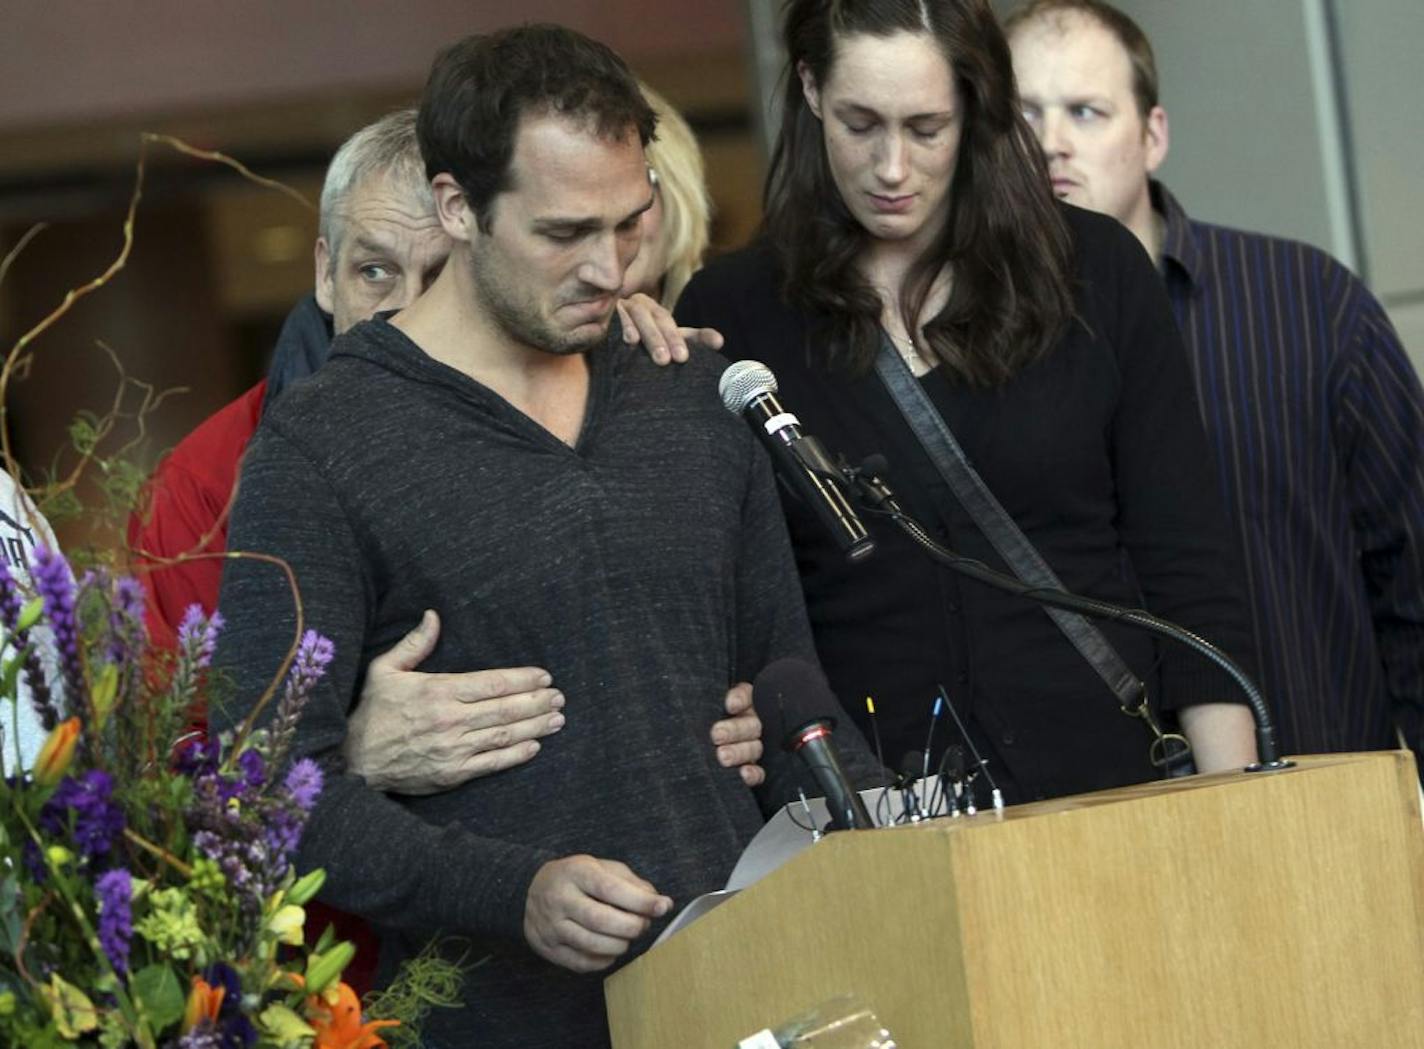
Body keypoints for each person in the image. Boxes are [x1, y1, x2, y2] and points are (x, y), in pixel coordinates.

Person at [211, 24, 878, 1049]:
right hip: (487, 1017)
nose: (607, 269)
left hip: (751, 994)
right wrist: (507, 889)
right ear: (454, 208)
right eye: (563, 234)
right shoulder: (320, 445)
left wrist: (809, 760)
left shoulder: (690, 393)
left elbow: (782, 664)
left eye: (630, 223)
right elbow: (262, 789)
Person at [677, 0, 1260, 805]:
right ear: (810, 89)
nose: (891, 168)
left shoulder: (1094, 271)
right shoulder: (734, 310)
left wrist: (1232, 802)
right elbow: (727, 602)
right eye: (860, 124)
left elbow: (1189, 565)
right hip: (879, 824)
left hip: (1112, 791)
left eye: (926, 128)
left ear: (976, 107)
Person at [1004, 0, 1424, 765]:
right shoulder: (967, 349)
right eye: (1023, 114)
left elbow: (1415, 583)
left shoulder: (1309, 305)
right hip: (1085, 831)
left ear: (1152, 134)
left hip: (1320, 797)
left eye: (1087, 112)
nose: (1052, 145)